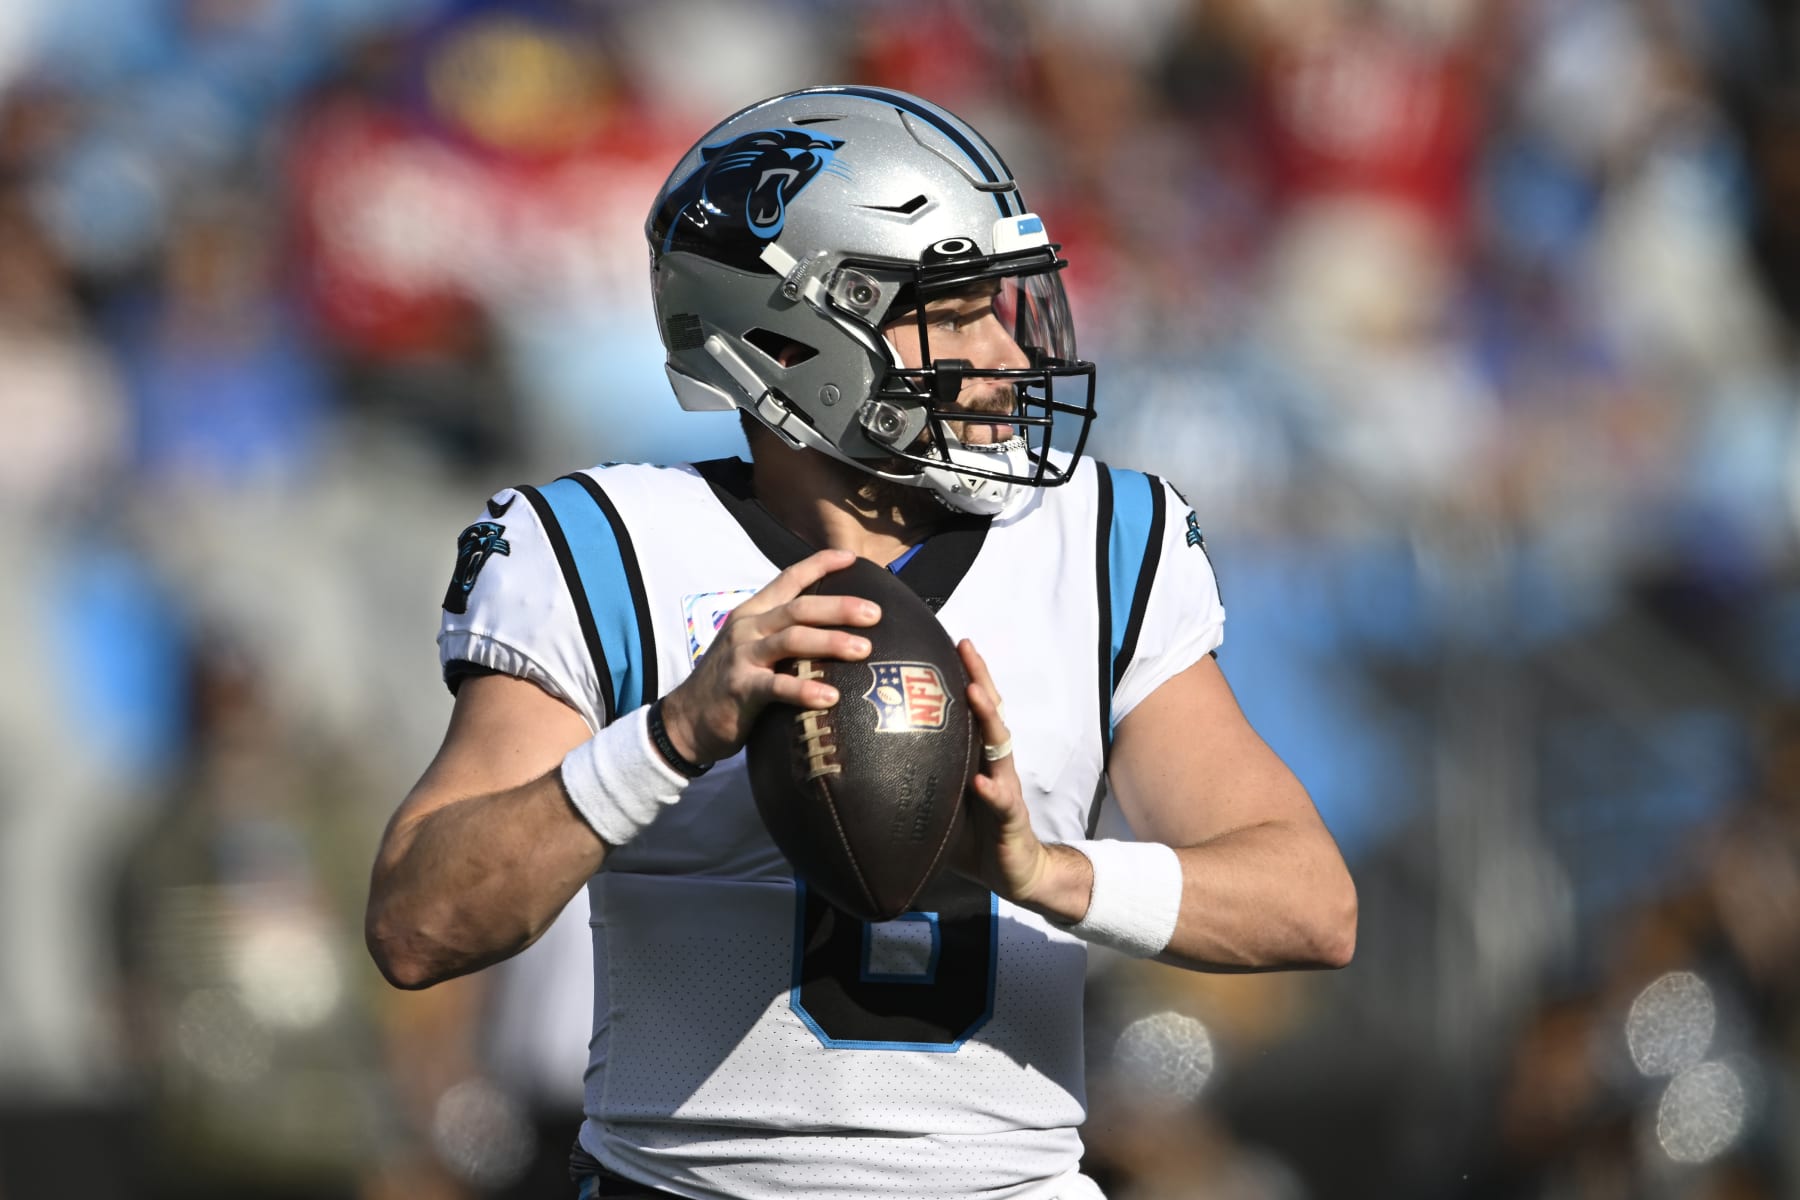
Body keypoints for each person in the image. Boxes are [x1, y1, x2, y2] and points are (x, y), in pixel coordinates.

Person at [366, 85, 1357, 1200]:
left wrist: (1046, 871)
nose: (1006, 352)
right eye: (954, 313)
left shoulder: (1102, 541)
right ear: (793, 336)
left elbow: (1310, 905)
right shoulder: (600, 548)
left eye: (999, 307)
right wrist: (671, 737)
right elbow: (417, 927)